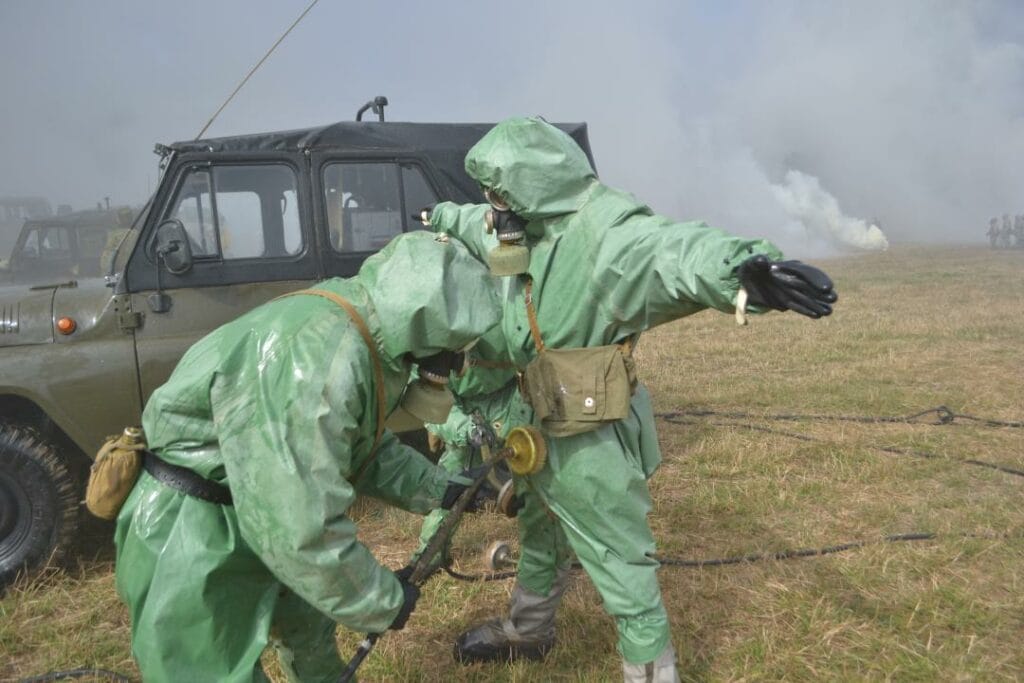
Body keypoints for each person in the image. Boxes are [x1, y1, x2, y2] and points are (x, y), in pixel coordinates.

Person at [422, 116, 837, 682]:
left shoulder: (607, 236)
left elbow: (671, 252)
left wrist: (741, 272)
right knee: (540, 532)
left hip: (589, 439)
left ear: (535, 185)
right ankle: (530, 629)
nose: (493, 209)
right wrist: (439, 216)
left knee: (623, 568)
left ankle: (650, 673)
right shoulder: (525, 222)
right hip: (538, 426)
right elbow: (475, 223)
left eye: (500, 195)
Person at [114, 231, 502, 682]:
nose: (454, 363)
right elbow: (300, 525)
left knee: (310, 643)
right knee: (207, 667)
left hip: (250, 507)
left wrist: (444, 490)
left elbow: (358, 448)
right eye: (454, 346)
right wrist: (381, 598)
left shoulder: (361, 329)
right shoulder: (320, 358)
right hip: (195, 529)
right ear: (425, 319)